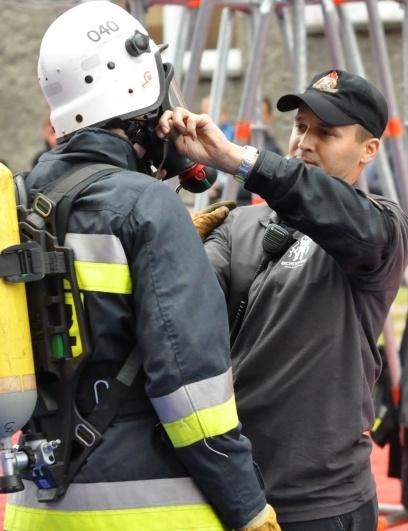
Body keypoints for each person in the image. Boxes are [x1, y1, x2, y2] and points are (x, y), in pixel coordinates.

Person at [4, 3, 278, 530]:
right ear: (142, 84)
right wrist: (248, 508)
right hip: (148, 513)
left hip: (34, 509)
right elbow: (194, 396)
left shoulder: (19, 201)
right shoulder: (144, 208)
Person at [157, 69, 408, 529]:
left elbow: (327, 205)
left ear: (368, 149)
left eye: (327, 132)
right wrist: (157, 198)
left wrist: (239, 159)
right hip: (234, 495)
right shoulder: (236, 225)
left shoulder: (382, 228)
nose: (304, 142)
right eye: (300, 126)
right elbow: (180, 309)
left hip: (323, 502)